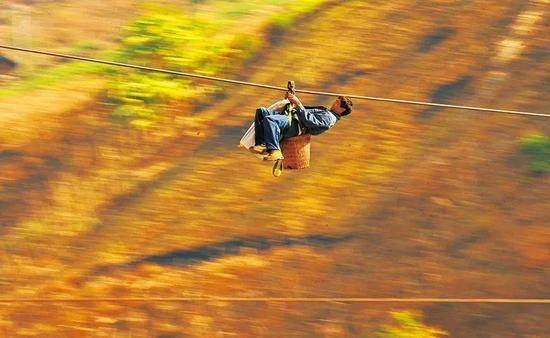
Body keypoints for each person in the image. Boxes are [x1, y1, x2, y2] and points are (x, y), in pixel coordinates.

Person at [251, 94, 353, 160]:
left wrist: (298, 103)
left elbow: (309, 121)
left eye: (337, 103)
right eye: (336, 101)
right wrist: (291, 102)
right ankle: (262, 144)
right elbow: (304, 112)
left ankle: (275, 151)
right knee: (261, 111)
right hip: (291, 117)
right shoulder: (327, 112)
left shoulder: (329, 118)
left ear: (341, 110)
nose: (334, 103)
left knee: (271, 120)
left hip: (296, 125)